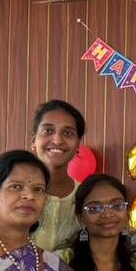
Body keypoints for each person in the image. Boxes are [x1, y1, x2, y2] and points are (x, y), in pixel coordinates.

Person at [30, 98, 86, 250]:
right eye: (48, 131)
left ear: (77, 144)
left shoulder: (86, 197)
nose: (57, 140)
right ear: (34, 141)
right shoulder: (14, 193)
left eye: (68, 133)